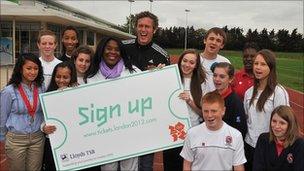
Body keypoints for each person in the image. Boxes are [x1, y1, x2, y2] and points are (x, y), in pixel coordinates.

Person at [122, 11, 170, 171]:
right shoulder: (123, 47)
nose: (143, 30)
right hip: (123, 113)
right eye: (140, 26)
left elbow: (167, 86)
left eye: (147, 27)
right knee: (123, 157)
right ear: (135, 28)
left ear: (154, 30)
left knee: (146, 164)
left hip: (148, 116)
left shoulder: (162, 55)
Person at [87, 37, 140, 171]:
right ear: (101, 50)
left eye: (117, 49)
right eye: (109, 48)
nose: (113, 52)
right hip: (105, 134)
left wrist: (157, 74)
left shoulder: (132, 71)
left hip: (129, 132)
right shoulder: (92, 75)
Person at [244, 49, 290, 171]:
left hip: (269, 147)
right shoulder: (249, 92)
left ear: (271, 67)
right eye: (256, 63)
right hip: (249, 145)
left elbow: (285, 123)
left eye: (263, 64)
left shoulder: (278, 92)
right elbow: (248, 118)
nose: (258, 67)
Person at [0, 53, 46, 171]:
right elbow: (2, 117)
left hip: (37, 138)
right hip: (16, 140)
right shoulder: (8, 91)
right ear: (20, 69)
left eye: (36, 68)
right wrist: (3, 139)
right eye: (29, 68)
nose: (33, 72)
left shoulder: (41, 87)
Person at [163, 49, 207, 171]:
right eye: (185, 61)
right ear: (180, 61)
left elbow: (203, 114)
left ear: (196, 65)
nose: (187, 65)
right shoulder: (171, 78)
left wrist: (190, 102)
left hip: (192, 134)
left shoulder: (201, 84)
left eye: (191, 62)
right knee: (170, 166)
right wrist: (158, 73)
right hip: (171, 134)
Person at [180, 91, 246, 171]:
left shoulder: (236, 135)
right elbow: (187, 164)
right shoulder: (192, 133)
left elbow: (238, 167)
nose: (209, 115)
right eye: (206, 111)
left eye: (214, 111)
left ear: (223, 111)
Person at [41, 61, 77, 171]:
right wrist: (43, 128)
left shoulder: (78, 93)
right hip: (53, 141)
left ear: (71, 77)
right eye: (58, 76)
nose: (61, 80)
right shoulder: (48, 95)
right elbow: (43, 119)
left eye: (65, 77)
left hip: (72, 143)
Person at [253, 105, 304, 171]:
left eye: (282, 123)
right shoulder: (263, 139)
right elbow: (257, 166)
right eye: (274, 121)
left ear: (290, 125)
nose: (276, 126)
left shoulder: (299, 144)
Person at [211, 62, 247, 138]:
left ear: (230, 79)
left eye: (222, 77)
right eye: (215, 75)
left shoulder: (236, 102)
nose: (217, 79)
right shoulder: (210, 97)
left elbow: (240, 130)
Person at [200, 27, 230, 93]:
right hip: (195, 101)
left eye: (218, 41)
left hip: (216, 101)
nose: (214, 42)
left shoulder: (225, 62)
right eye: (211, 39)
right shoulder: (195, 60)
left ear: (222, 45)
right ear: (205, 40)